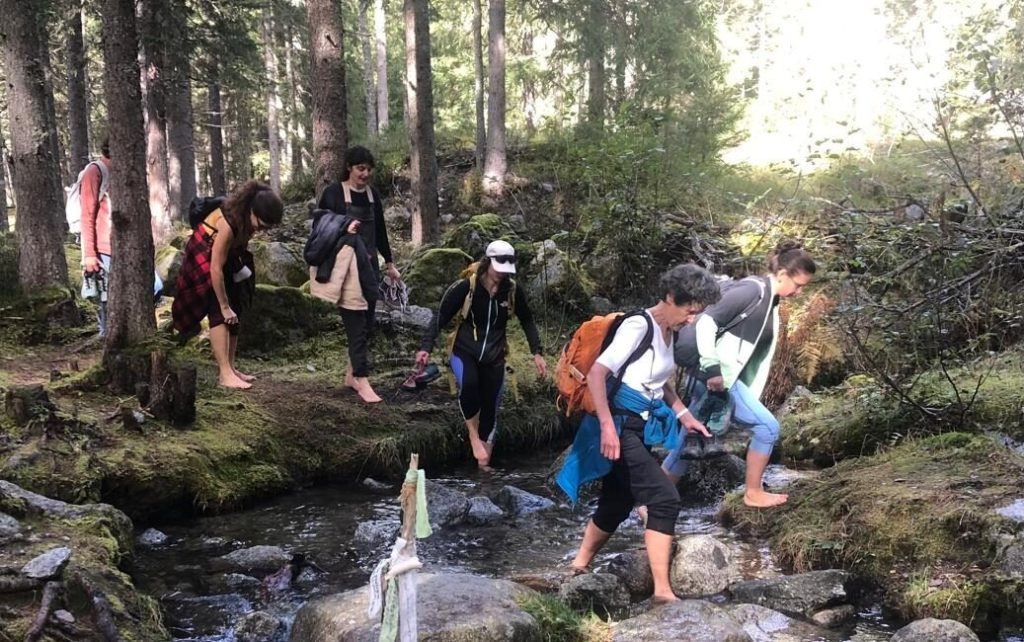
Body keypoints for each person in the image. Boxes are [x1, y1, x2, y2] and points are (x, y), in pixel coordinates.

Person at [556, 264, 721, 603]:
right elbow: (599, 375)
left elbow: (661, 383)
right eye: (690, 311)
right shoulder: (637, 326)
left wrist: (685, 415)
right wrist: (606, 426)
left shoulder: (669, 331)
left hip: (639, 425)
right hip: (618, 424)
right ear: (671, 297)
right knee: (664, 498)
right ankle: (662, 592)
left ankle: (578, 565)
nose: (692, 320)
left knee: (617, 502)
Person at [662, 240, 817, 508]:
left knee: (694, 441)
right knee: (768, 427)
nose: (800, 292)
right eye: (799, 285)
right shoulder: (752, 291)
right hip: (717, 378)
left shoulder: (770, 300)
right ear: (782, 275)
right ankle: (753, 492)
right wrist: (712, 369)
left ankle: (651, 501)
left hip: (719, 379)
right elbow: (707, 322)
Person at [415, 240, 546, 470]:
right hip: (464, 351)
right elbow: (440, 317)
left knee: (491, 405)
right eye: (499, 269)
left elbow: (527, 320)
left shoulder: (512, 290)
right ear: (488, 263)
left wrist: (537, 352)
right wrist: (426, 347)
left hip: (495, 356)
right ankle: (474, 439)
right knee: (470, 385)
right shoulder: (466, 287)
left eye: (507, 271)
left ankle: (484, 466)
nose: (503, 275)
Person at [172, 181, 283, 389]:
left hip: (226, 260)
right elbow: (215, 268)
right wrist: (224, 305)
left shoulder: (246, 221)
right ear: (252, 211)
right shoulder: (228, 223)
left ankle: (231, 368)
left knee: (235, 309)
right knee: (218, 311)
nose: (262, 230)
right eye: (262, 224)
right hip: (205, 259)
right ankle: (224, 373)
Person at [316, 146, 401, 402]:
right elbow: (319, 226)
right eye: (360, 168)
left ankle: (351, 375)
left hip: (370, 268)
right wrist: (344, 226)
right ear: (349, 168)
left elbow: (381, 232)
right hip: (347, 268)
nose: (365, 174)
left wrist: (390, 263)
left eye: (368, 169)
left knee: (368, 323)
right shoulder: (333, 194)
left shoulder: (373, 196)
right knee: (355, 324)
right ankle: (362, 380)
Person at [78, 137, 162, 336]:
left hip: (129, 246)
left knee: (155, 286)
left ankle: (131, 334)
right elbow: (86, 215)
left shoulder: (127, 172)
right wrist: (90, 254)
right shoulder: (95, 171)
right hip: (104, 249)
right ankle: (109, 340)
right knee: (108, 299)